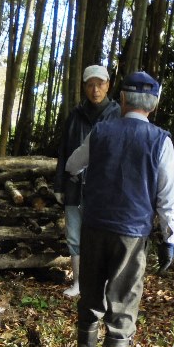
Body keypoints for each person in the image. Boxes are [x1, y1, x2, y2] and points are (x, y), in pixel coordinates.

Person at [65, 71, 174, 347]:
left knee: (90, 291)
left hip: (94, 226)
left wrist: (80, 175)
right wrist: (169, 239)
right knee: (124, 298)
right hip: (131, 232)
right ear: (153, 105)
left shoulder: (101, 131)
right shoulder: (160, 140)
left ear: (123, 100)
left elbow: (73, 164)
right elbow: (168, 197)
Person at [55, 64, 121, 297]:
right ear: (84, 87)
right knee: (74, 235)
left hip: (104, 188)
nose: (95, 90)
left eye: (100, 84)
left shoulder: (117, 114)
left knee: (102, 235)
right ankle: (79, 283)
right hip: (75, 185)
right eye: (91, 85)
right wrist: (59, 185)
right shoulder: (75, 115)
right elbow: (64, 151)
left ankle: (102, 285)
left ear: (108, 86)